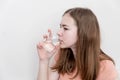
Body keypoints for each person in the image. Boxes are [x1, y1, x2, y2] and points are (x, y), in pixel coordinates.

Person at [36, 7, 118, 80]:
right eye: (60, 27)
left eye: (65, 28)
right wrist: (44, 60)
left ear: (83, 32)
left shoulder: (105, 67)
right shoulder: (62, 55)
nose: (59, 32)